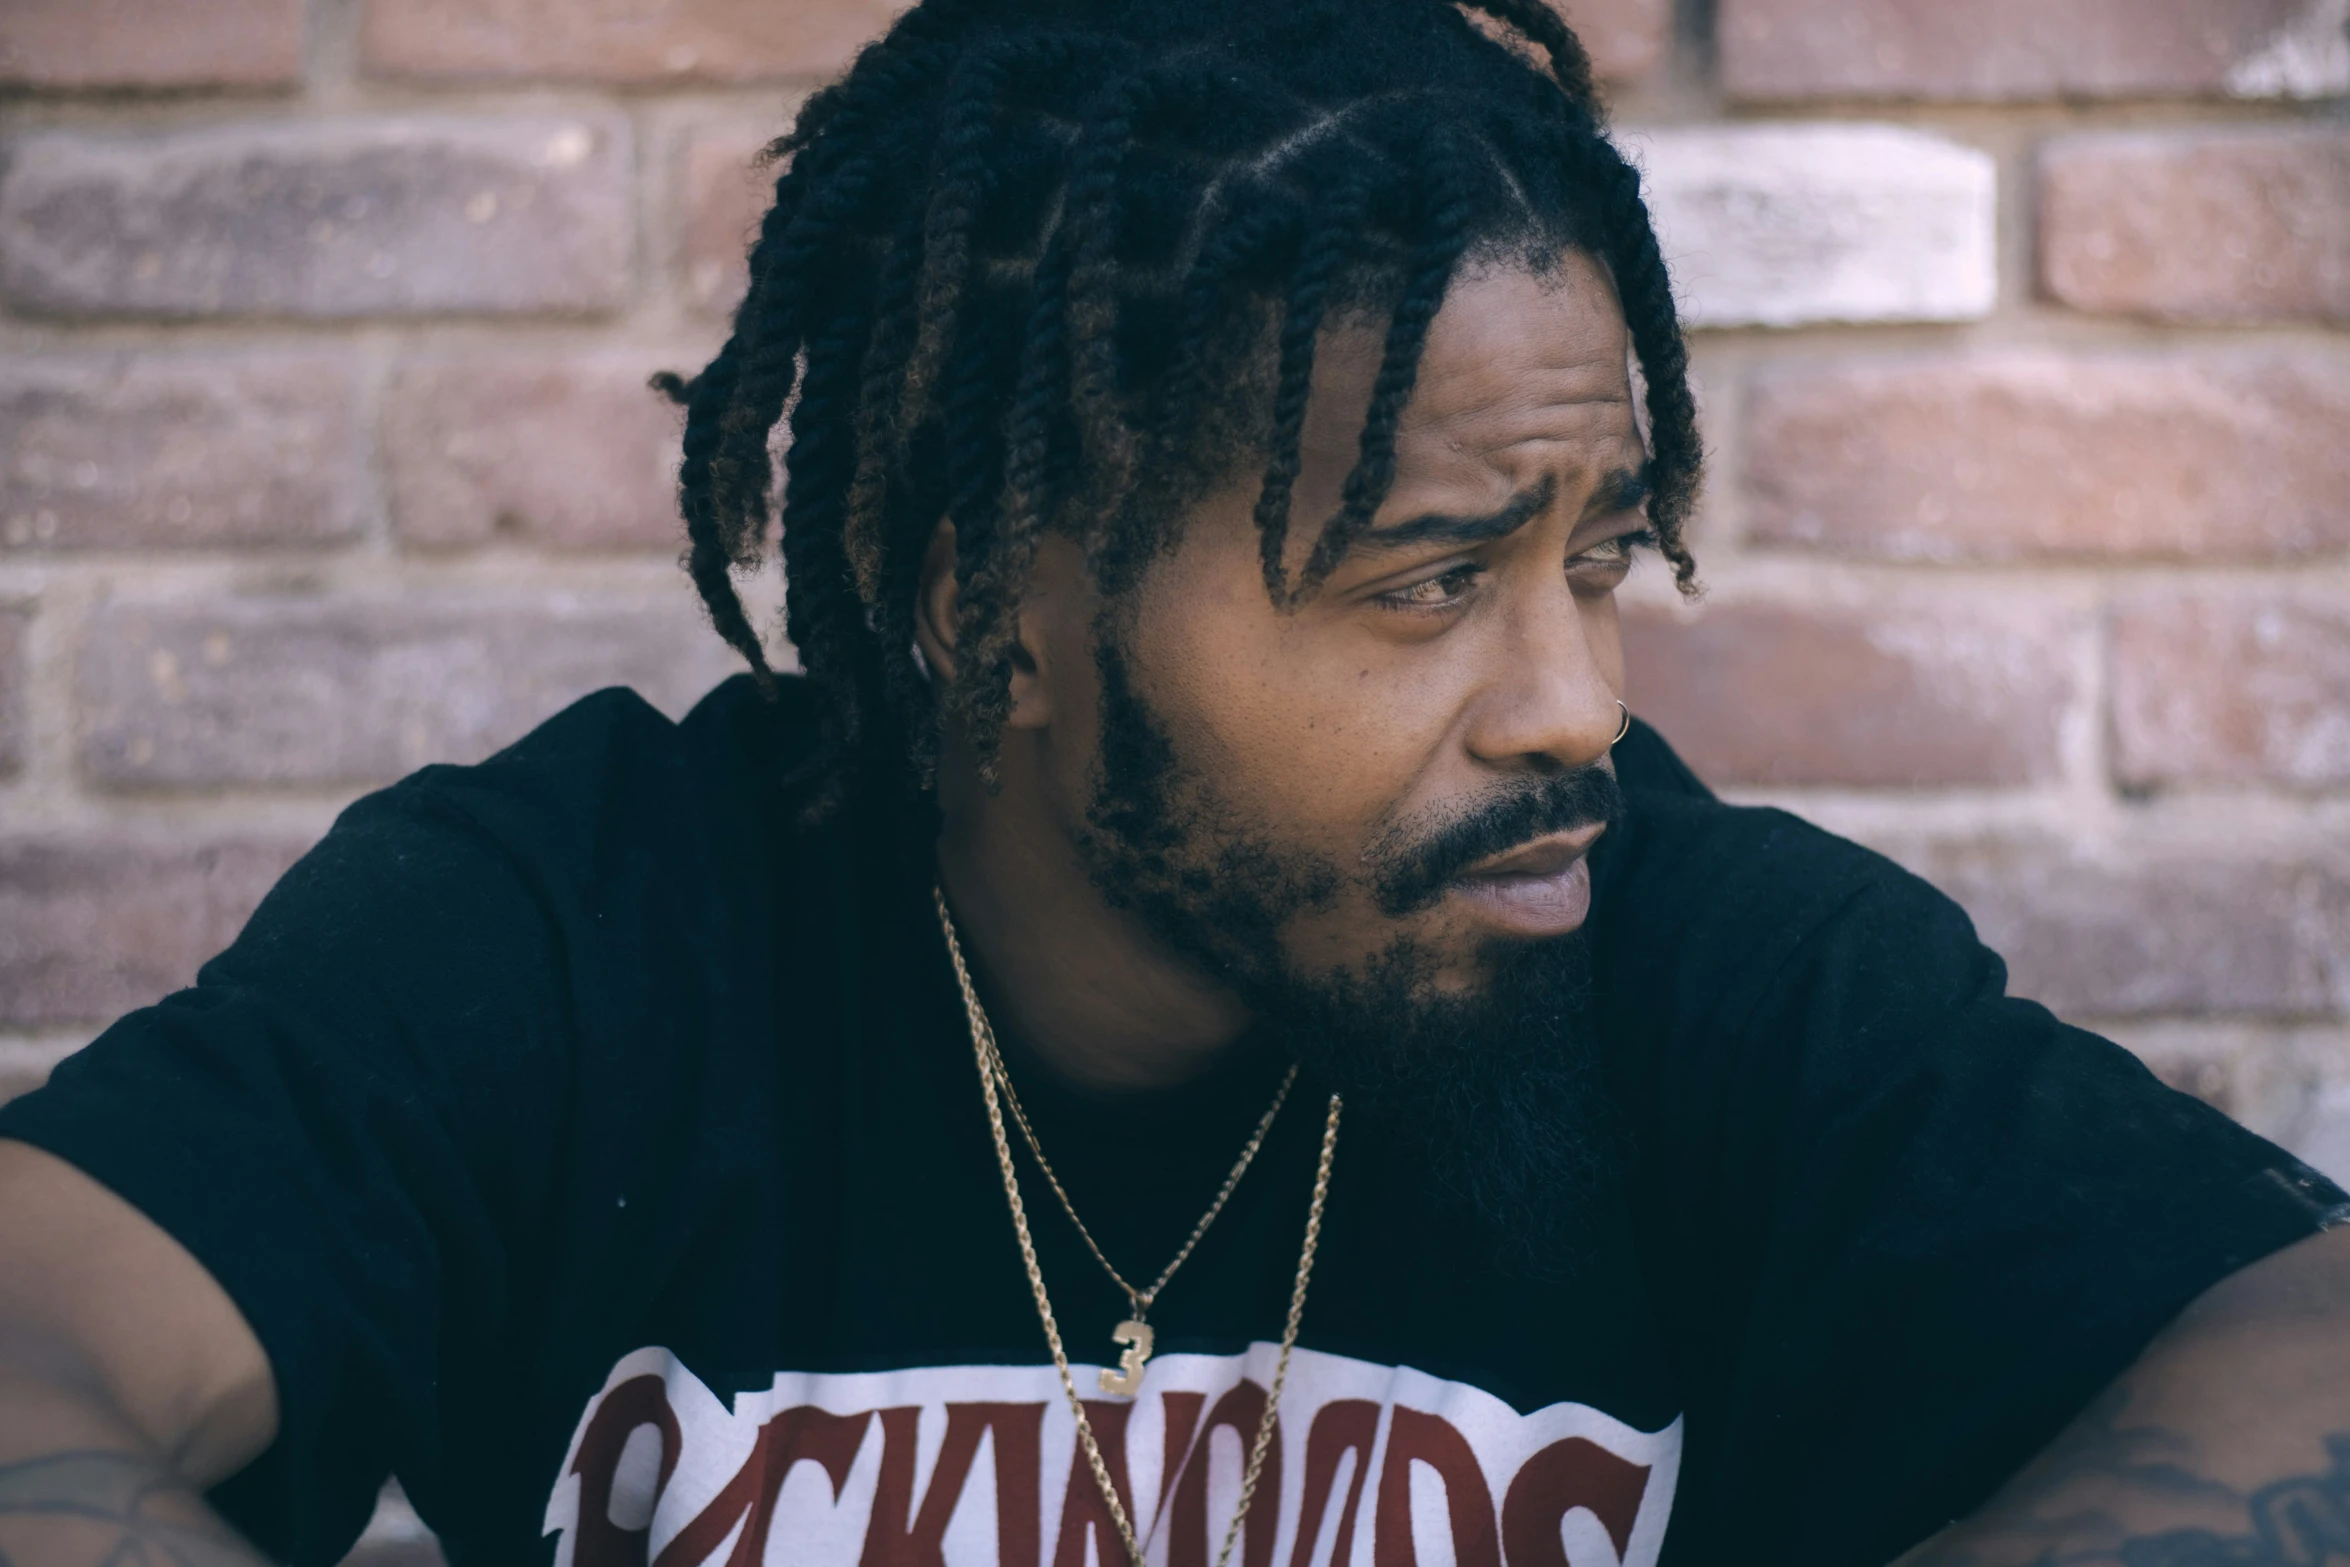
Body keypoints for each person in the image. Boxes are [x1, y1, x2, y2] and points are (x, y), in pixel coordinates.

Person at [2, 2, 2346, 1564]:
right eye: (1426, 583)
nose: (1568, 702)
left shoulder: (1666, 947)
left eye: (1599, 557)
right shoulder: (582, 937)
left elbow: (2292, 1336)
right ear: (984, 601)